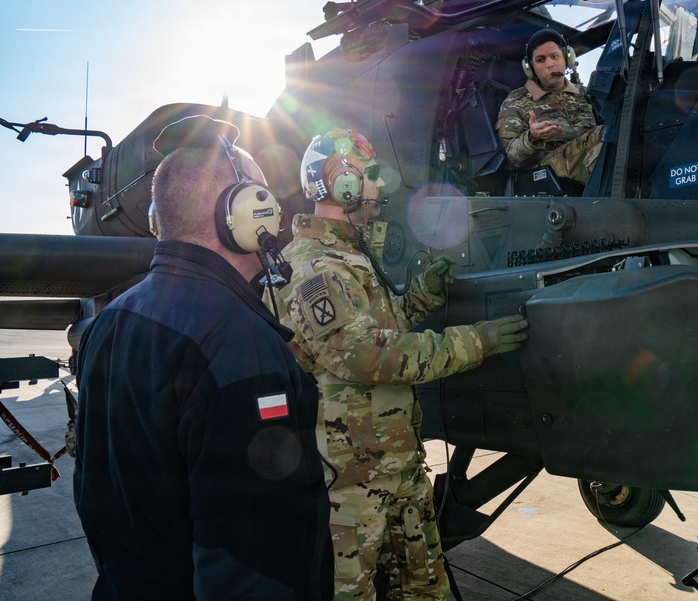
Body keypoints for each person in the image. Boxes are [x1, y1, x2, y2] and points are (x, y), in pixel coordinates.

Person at [73, 115, 333, 600]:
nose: (272, 211)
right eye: (262, 196)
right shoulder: (237, 341)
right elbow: (256, 560)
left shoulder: (110, 323)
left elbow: (94, 494)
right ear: (239, 210)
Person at [278, 127, 528, 600]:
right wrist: (480, 341)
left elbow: (380, 328)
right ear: (341, 183)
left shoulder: (349, 256)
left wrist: (419, 298)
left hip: (398, 473)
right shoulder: (314, 269)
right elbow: (367, 356)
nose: (379, 186)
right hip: (349, 491)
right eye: (369, 175)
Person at [496, 28, 603, 187]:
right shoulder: (516, 101)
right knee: (601, 135)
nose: (550, 64)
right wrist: (532, 138)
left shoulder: (585, 94)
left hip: (586, 164)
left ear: (567, 58)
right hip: (544, 174)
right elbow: (509, 160)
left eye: (555, 56)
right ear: (530, 68)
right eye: (540, 60)